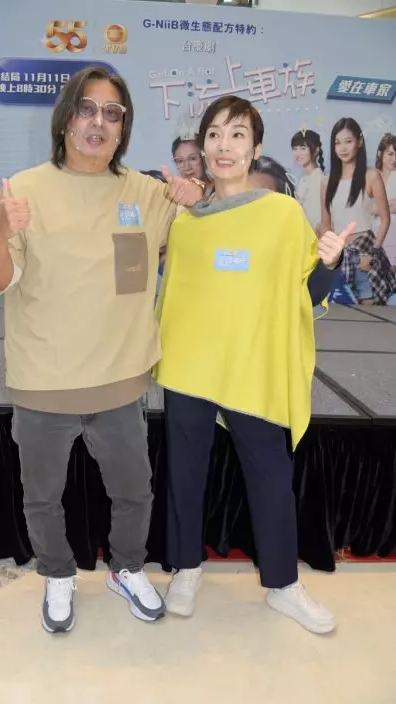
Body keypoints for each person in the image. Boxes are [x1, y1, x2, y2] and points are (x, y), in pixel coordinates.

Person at [0, 66, 204, 634]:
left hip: (120, 381)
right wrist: (1, 230)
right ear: (65, 119)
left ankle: (127, 569)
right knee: (42, 498)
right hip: (43, 381)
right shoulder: (22, 191)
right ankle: (58, 573)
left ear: (124, 128)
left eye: (113, 113)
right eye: (87, 108)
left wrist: (196, 194)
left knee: (134, 493)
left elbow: (204, 229)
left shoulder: (145, 193)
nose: (98, 122)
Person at [153, 95, 352, 634]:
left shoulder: (281, 214)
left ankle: (284, 585)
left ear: (255, 148)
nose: (224, 145)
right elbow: (173, 291)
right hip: (190, 363)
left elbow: (308, 292)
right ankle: (186, 570)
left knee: (271, 473)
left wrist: (329, 263)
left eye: (237, 134)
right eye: (214, 134)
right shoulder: (186, 221)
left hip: (252, 364)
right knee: (185, 471)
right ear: (203, 146)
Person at [322, 117, 396, 306]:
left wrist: (372, 255)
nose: (343, 148)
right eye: (337, 143)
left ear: (360, 141)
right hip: (340, 256)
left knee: (369, 310)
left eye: (348, 141)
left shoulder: (371, 176)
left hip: (365, 253)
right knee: (338, 310)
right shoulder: (326, 182)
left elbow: (385, 220)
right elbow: (325, 225)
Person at [251, 155, 336, 317]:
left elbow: (311, 295)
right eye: (248, 195)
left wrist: (329, 264)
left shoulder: (296, 242)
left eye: (266, 197)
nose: (256, 205)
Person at [291, 129, 326, 234]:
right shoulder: (304, 178)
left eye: (303, 148)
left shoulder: (318, 179)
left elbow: (316, 220)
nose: (298, 153)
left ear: (316, 150)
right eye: (295, 149)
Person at [373, 133, 396, 267]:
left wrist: (378, 207)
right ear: (380, 154)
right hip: (373, 235)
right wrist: (388, 205)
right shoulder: (371, 175)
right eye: (390, 154)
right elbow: (367, 208)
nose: (394, 159)